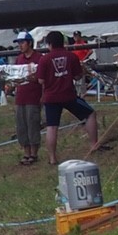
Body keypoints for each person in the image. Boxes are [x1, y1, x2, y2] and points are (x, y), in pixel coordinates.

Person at [36, 30, 104, 165]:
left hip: (51, 97)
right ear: (63, 42)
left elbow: (40, 81)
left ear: (49, 44)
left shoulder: (44, 59)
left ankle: (52, 158)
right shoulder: (71, 56)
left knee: (52, 127)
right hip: (68, 95)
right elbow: (78, 76)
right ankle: (94, 144)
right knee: (89, 114)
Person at [12, 35, 44, 166]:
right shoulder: (19, 59)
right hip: (21, 96)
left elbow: (43, 78)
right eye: (18, 43)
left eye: (22, 42)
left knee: (33, 123)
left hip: (34, 96)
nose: (20, 45)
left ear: (29, 43)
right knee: (21, 125)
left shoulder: (39, 58)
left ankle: (34, 153)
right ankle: (26, 151)